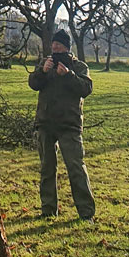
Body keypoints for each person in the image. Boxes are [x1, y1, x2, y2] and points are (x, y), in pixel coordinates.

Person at [28, 29, 95, 220]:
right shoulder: (45, 63)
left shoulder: (79, 66)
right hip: (45, 123)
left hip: (69, 124)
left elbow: (86, 88)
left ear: (67, 47)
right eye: (53, 45)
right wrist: (43, 71)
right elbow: (33, 83)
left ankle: (86, 213)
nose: (55, 48)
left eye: (59, 46)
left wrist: (68, 75)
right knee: (47, 169)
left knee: (76, 168)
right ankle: (48, 210)